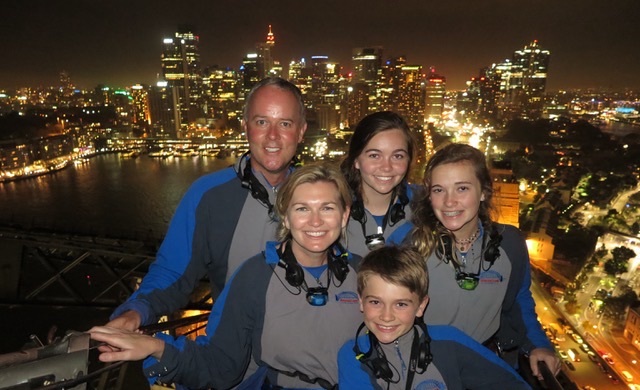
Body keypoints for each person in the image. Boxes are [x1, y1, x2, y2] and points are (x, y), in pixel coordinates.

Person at [89, 163, 363, 389]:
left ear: (344, 215)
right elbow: (221, 367)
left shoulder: (364, 275)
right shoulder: (255, 277)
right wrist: (156, 347)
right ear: (287, 218)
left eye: (327, 208)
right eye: (302, 208)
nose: (315, 221)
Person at [107, 77, 307, 331]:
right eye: (261, 122)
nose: (272, 136)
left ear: (301, 132)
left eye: (285, 124)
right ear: (245, 127)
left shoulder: (321, 197)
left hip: (303, 356)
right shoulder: (208, 195)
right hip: (236, 356)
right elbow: (173, 271)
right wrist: (136, 312)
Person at [408, 143, 560, 379]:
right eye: (439, 190)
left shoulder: (509, 243)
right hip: (426, 368)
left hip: (484, 363)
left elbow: (518, 301)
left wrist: (538, 344)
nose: (449, 201)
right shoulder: (411, 247)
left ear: (484, 192)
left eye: (462, 189)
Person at [338, 245, 531, 389]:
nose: (386, 316)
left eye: (401, 304)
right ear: (361, 302)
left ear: (421, 306)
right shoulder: (352, 354)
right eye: (375, 302)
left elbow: (513, 384)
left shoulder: (449, 341)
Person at [340, 111, 417, 256]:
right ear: (356, 160)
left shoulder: (426, 205)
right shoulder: (332, 208)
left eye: (397, 156)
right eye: (374, 155)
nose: (386, 167)